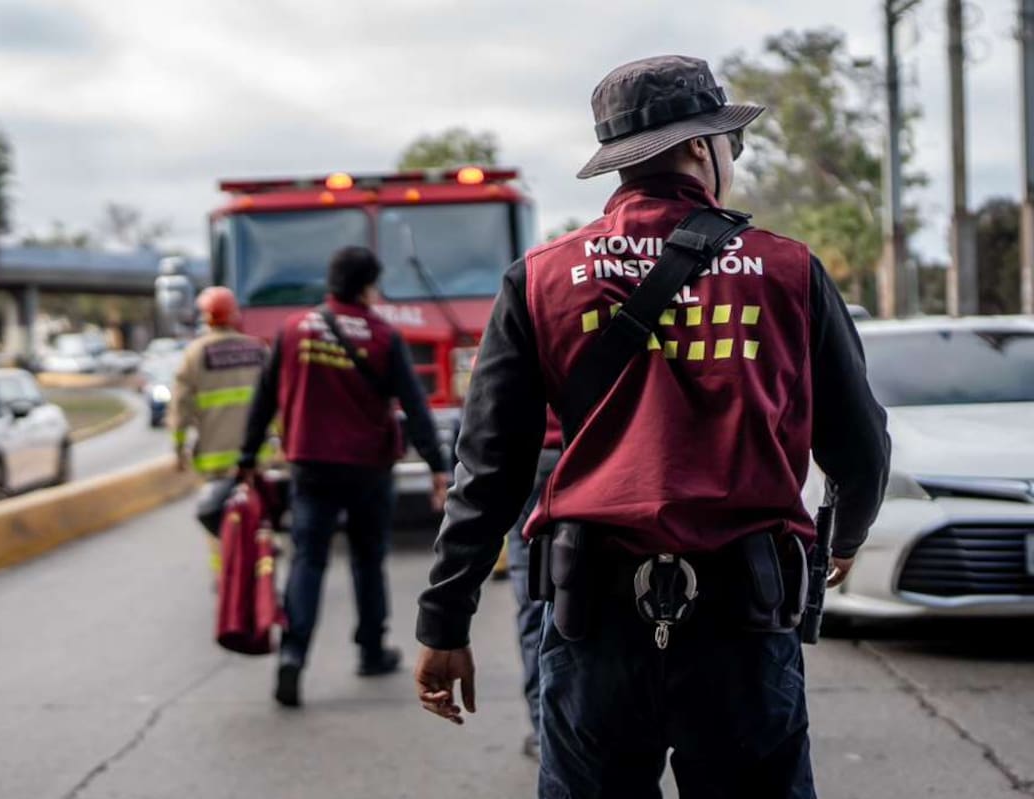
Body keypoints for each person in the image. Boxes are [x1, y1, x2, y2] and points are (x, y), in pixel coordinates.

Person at [414, 55, 890, 798]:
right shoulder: (789, 271)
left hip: (591, 620)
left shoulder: (539, 277)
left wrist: (445, 620)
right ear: (703, 146)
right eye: (729, 142)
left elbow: (489, 471)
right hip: (744, 618)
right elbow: (860, 447)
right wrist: (847, 538)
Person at [241, 246, 450, 709]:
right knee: (367, 559)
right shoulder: (382, 334)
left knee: (309, 560)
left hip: (310, 465)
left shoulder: (294, 329)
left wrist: (246, 456)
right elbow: (415, 407)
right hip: (368, 468)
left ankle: (293, 655)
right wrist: (438, 467)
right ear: (366, 287)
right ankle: (372, 651)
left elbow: (264, 397)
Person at [169, 287, 266, 566]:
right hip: (257, 456)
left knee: (217, 520)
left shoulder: (195, 354)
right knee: (259, 516)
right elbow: (278, 401)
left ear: (206, 318)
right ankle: (262, 572)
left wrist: (178, 449)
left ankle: (225, 578)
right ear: (234, 314)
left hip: (214, 459)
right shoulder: (257, 349)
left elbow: (180, 408)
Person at [506, 409, 562, 761]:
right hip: (591, 455)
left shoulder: (513, 349)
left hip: (528, 459)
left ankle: (546, 730)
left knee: (534, 598)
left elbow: (488, 406)